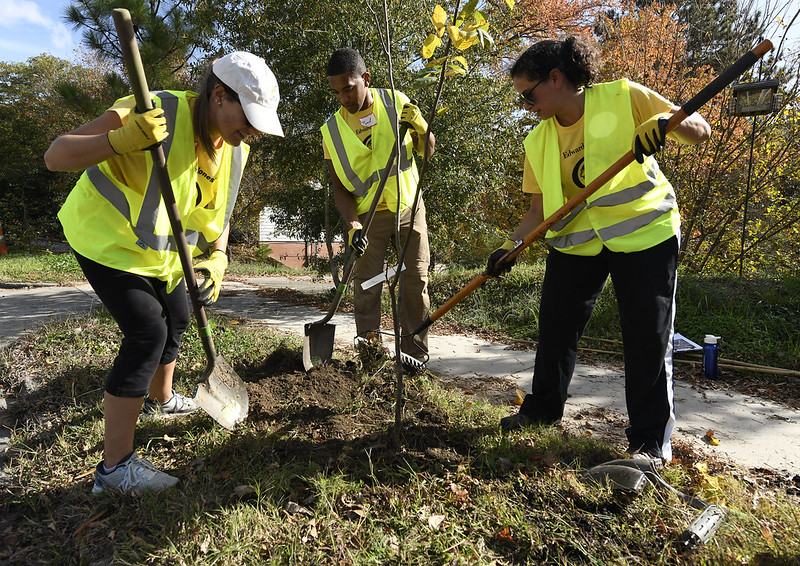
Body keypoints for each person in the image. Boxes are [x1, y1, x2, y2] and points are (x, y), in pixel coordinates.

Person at [44, 51, 283, 495]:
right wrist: (120, 140)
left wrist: (219, 257)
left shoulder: (235, 150)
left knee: (178, 316)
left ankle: (162, 400)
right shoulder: (155, 109)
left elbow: (222, 217)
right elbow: (56, 156)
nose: (252, 130)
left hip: (162, 257)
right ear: (218, 96)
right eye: (248, 117)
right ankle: (114, 470)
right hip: (106, 241)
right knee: (147, 333)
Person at [489, 37, 710, 465]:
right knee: (555, 328)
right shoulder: (536, 142)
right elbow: (537, 211)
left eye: (529, 95)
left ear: (555, 79)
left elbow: (697, 131)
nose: (526, 105)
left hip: (646, 233)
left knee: (647, 336)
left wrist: (664, 123)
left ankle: (649, 442)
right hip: (577, 243)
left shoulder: (622, 96)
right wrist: (509, 246)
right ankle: (542, 410)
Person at [321, 48, 435, 364]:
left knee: (415, 282)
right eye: (336, 91)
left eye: (348, 88)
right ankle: (370, 356)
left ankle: (415, 358)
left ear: (365, 78)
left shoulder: (396, 102)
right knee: (367, 287)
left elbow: (428, 151)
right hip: (368, 218)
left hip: (409, 206)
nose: (343, 97)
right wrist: (353, 224)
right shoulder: (331, 131)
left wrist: (422, 127)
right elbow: (340, 188)